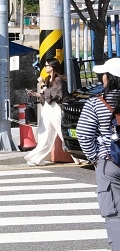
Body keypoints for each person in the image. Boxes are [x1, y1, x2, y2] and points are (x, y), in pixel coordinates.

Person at [77, 57, 120, 248]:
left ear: (108, 79)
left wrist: (95, 157)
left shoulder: (96, 103)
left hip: (110, 161)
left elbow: (84, 135)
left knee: (114, 214)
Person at [26, 59, 67, 166]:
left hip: (55, 108)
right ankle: (36, 158)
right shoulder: (49, 79)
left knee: (61, 131)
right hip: (48, 108)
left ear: (52, 67)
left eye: (46, 65)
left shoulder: (58, 80)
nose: (45, 67)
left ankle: (80, 156)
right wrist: (36, 94)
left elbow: (55, 96)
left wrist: (43, 84)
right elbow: (47, 96)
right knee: (44, 134)